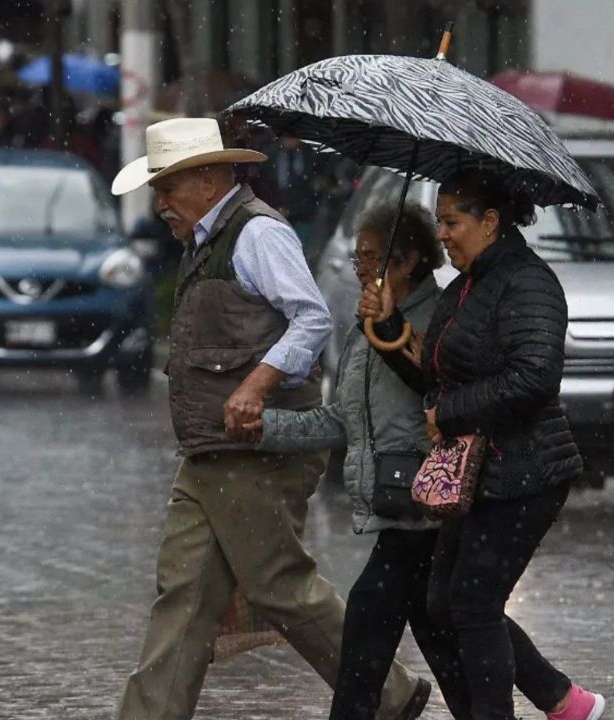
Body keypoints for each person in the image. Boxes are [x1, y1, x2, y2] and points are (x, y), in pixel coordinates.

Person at [109, 117, 429, 720]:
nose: (160, 204)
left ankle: (389, 690)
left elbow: (310, 319)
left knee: (278, 585)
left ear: (207, 178)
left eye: (167, 187)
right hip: (211, 450)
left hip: (256, 450)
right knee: (184, 596)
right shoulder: (207, 239)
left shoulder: (257, 234)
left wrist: (256, 385)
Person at [368, 169, 606, 720]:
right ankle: (562, 701)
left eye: (453, 222)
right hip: (478, 474)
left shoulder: (529, 283)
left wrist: (449, 412)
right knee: (443, 602)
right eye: (439, 222)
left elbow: (533, 378)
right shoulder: (468, 285)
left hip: (525, 473)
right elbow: (439, 380)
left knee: (473, 604)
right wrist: (388, 329)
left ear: (491, 222)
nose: (443, 235)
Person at [244, 201, 469, 720]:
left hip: (422, 510)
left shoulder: (439, 320)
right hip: (395, 513)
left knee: (369, 640)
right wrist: (265, 429)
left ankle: (552, 695)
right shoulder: (364, 331)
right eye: (359, 257)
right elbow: (341, 421)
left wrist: (392, 330)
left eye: (371, 257)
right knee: (443, 650)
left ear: (409, 260)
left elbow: (442, 397)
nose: (360, 268)